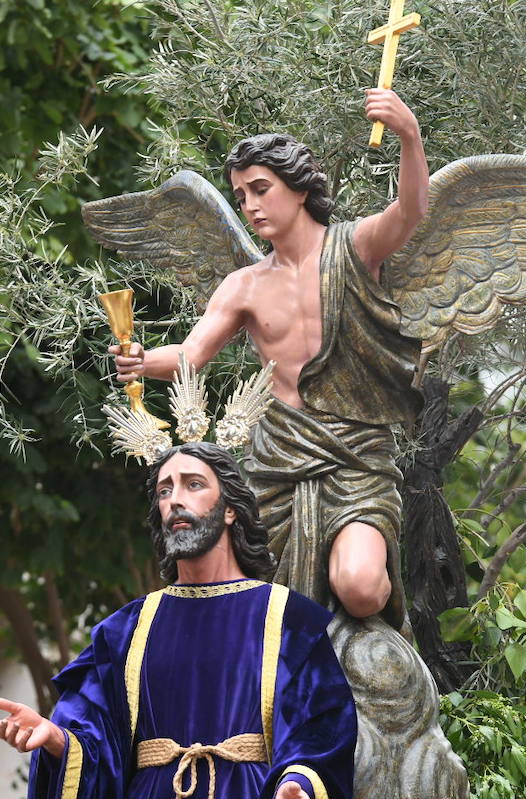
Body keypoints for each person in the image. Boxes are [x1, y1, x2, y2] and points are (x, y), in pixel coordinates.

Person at [0, 441, 357, 799]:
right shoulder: (126, 630)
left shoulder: (287, 619)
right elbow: (96, 739)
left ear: (229, 511)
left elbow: (321, 729)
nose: (174, 499)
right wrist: (58, 739)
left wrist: (300, 786)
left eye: (193, 484)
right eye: (164, 490)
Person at [110, 88, 428, 626]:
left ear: (299, 189)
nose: (251, 206)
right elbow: (191, 354)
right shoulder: (245, 285)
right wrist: (142, 361)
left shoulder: (354, 249)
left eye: (261, 189)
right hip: (276, 455)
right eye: (241, 196)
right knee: (247, 594)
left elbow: (412, 210)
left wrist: (408, 135)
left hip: (356, 455)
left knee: (359, 587)